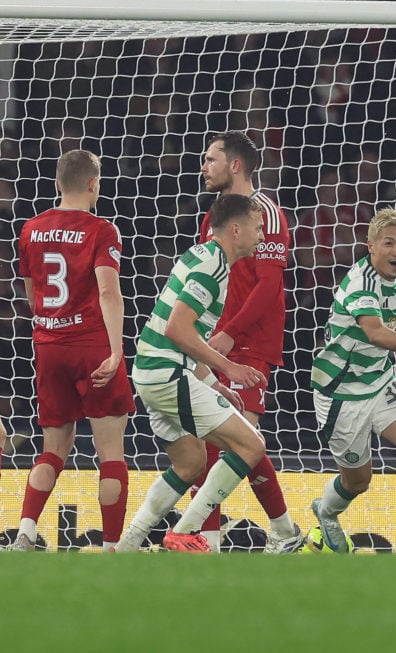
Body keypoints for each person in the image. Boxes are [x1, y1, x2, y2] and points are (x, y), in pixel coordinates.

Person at [116, 194, 269, 553]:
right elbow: (178, 330)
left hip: (153, 371)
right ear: (236, 229)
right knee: (252, 445)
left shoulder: (201, 255)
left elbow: (189, 335)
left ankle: (126, 545)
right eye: (257, 227)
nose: (261, 236)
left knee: (191, 462)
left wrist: (215, 383)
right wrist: (228, 367)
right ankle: (184, 531)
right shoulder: (213, 266)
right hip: (168, 373)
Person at [10, 149, 135, 552]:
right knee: (110, 451)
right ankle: (112, 547)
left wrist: (52, 322)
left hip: (48, 346)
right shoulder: (103, 230)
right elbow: (108, 292)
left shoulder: (30, 229)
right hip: (92, 346)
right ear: (94, 184)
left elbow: (31, 293)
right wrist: (115, 353)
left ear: (58, 183)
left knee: (53, 448)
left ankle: (25, 533)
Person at [309, 208, 396, 555]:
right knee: (357, 481)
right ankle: (326, 512)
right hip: (341, 393)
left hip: (378, 381)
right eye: (388, 243)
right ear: (370, 246)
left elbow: (391, 314)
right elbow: (374, 332)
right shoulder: (360, 283)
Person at [192, 131, 301, 554]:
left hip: (249, 345)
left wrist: (230, 332)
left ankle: (280, 531)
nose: (205, 166)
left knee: (238, 441)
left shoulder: (267, 214)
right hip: (213, 344)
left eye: (211, 159)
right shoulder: (213, 218)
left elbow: (270, 288)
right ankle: (215, 540)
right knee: (212, 440)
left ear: (235, 165)